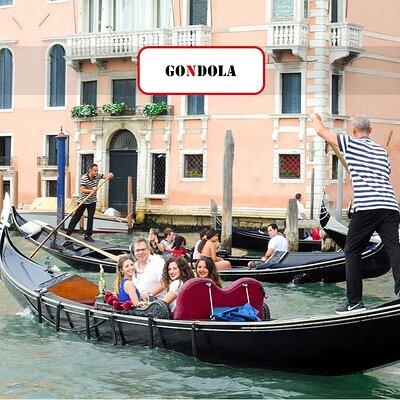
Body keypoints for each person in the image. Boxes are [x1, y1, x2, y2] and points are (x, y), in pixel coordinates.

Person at [313, 113, 400, 314]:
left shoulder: (350, 143)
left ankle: (354, 303)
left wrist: (314, 118)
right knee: (393, 248)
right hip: (390, 205)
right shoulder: (381, 151)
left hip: (368, 207)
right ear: (370, 130)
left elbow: (322, 132)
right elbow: (382, 176)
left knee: (352, 251)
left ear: (354, 131)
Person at [64, 164, 114, 243]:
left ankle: (88, 235)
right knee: (76, 217)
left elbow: (105, 176)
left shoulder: (97, 176)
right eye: (95, 170)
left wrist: (110, 175)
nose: (96, 172)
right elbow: (82, 190)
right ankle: (68, 234)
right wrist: (92, 190)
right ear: (90, 170)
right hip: (83, 201)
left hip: (92, 201)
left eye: (97, 170)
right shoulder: (84, 178)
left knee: (90, 218)